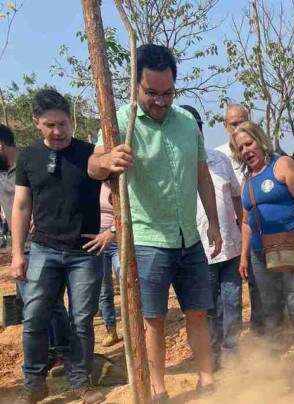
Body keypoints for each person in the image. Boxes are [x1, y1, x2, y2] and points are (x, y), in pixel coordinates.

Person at [87, 44, 222, 401]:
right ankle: (159, 390)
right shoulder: (119, 122)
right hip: (146, 239)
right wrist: (109, 159)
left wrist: (214, 223)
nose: (160, 101)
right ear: (136, 86)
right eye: (152, 93)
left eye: (167, 93)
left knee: (198, 312)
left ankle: (207, 380)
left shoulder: (186, 124)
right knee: (154, 319)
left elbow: (202, 175)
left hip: (188, 237)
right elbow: (93, 166)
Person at [10, 89, 104, 404]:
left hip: (84, 252)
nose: (58, 131)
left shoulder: (90, 153)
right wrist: (17, 254)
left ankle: (81, 382)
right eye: (50, 125)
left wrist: (113, 231)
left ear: (71, 121)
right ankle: (34, 384)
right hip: (43, 249)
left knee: (81, 318)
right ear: (37, 123)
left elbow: (120, 192)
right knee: (35, 316)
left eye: (63, 124)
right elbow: (21, 206)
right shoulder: (28, 157)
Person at [230, 121, 294, 377]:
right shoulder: (246, 180)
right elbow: (246, 222)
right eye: (240, 148)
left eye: (249, 143)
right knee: (269, 308)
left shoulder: (282, 165)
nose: (246, 150)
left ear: (260, 140)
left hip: (292, 247)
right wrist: (244, 257)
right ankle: (273, 363)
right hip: (259, 254)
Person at [0, 124, 71, 375]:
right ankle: (50, 353)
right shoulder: (3, 173)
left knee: (50, 303)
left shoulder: (31, 164)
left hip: (42, 245)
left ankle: (61, 352)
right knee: (33, 306)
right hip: (20, 248)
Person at [181, 105, 243, 369]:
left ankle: (231, 353)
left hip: (230, 245)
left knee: (232, 302)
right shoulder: (175, 166)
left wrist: (243, 227)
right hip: (199, 251)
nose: (193, 130)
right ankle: (212, 355)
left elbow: (236, 197)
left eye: (197, 125)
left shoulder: (219, 159)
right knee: (207, 307)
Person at [216, 103, 265, 335]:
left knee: (259, 284)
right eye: (234, 123)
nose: (238, 127)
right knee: (230, 294)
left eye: (243, 121)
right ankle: (229, 342)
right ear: (226, 126)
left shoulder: (260, 152)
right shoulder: (217, 157)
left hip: (259, 229)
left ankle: (260, 331)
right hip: (232, 232)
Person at [85, 182, 121, 347]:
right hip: (98, 241)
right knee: (104, 290)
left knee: (127, 282)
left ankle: (138, 327)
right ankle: (111, 330)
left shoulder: (117, 184)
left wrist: (113, 231)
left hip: (118, 239)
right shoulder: (92, 185)